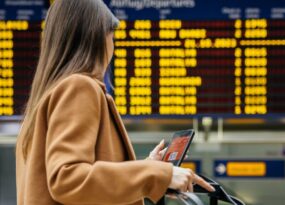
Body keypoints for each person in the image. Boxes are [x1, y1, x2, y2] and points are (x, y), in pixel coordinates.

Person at [15, 0, 214, 204]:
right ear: (97, 36)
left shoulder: (38, 107)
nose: (114, 45)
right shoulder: (78, 86)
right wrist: (155, 174)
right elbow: (68, 179)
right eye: (112, 35)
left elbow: (77, 182)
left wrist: (147, 167)